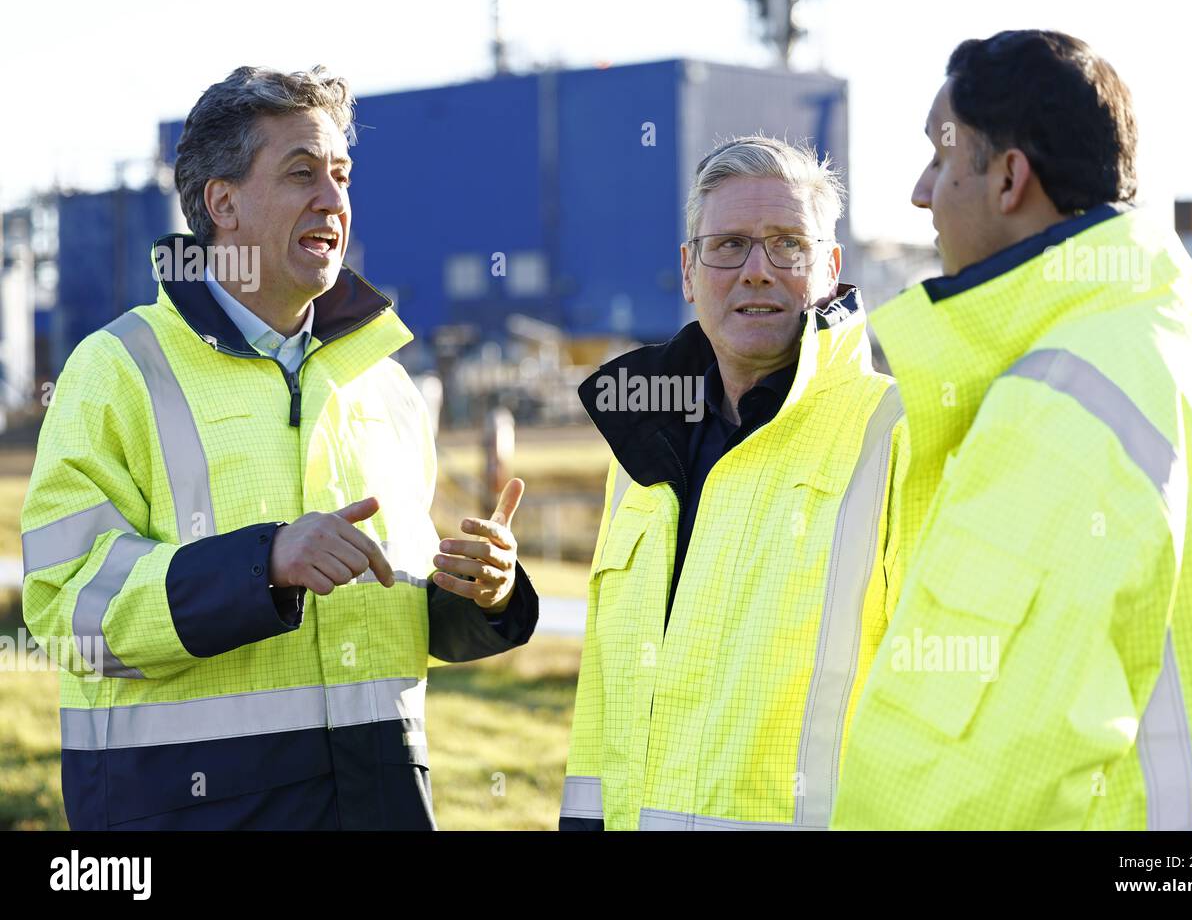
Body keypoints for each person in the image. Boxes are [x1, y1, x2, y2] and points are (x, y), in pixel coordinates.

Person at [21, 65, 538, 830]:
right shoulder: (118, 368)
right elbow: (65, 608)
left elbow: (393, 619)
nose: (333, 199)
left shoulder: (383, 386)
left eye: (341, 175)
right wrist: (260, 566)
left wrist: (480, 594)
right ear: (221, 203)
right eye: (302, 174)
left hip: (379, 804)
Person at [832, 30, 1192, 829]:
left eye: (940, 158)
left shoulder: (1059, 403)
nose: (920, 191)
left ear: (1011, 177)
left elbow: (965, 778)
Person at [561, 135, 909, 830]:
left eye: (787, 244)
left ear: (830, 268)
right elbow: (602, 700)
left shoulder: (897, 433)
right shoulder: (640, 447)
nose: (756, 270)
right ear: (689, 272)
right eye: (728, 246)